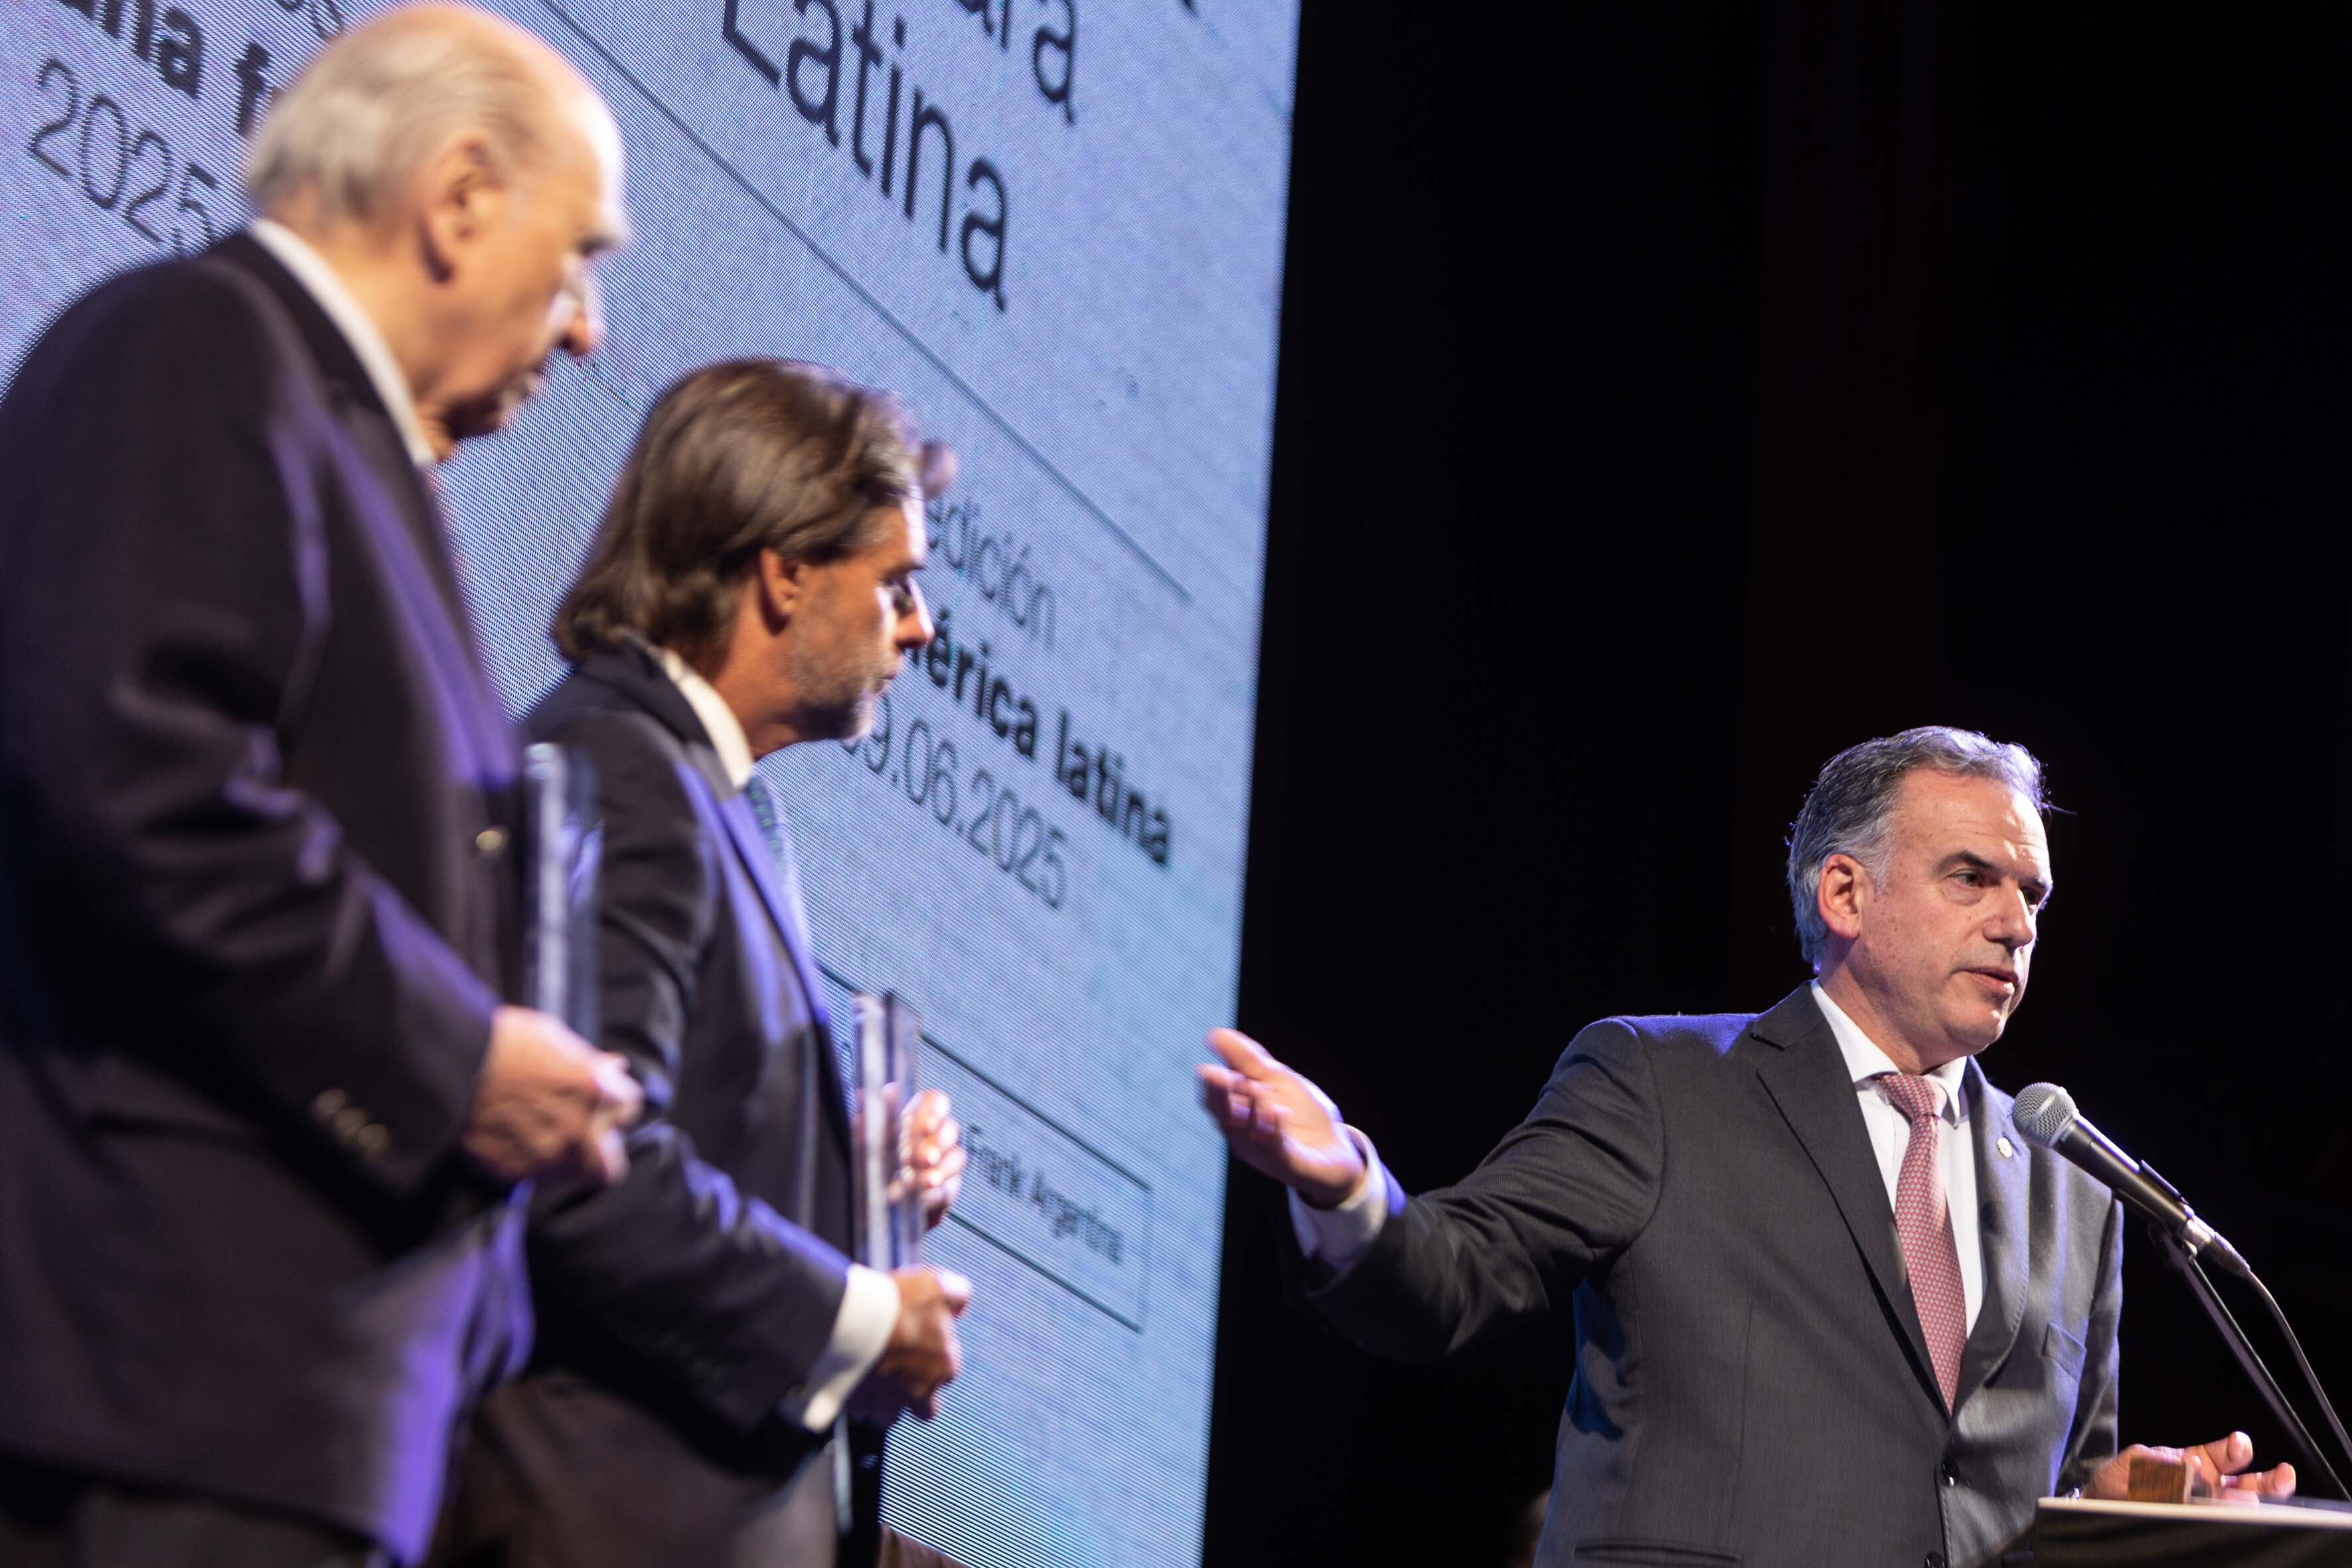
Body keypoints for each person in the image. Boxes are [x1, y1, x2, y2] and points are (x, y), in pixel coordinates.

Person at [0, 9, 641, 1565]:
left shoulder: (351, 446)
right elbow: (140, 776)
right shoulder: (196, 344)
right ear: (461, 195)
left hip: (297, 1424)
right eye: (579, 259)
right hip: (171, 1392)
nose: (587, 329)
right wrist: (455, 1059)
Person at [1200, 726, 2294, 1568]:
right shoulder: (1663, 1084)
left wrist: (2127, 1503)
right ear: (1846, 893)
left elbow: (2042, 1493)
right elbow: (1445, 1280)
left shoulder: (2073, 1178)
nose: (2018, 922)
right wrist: (1346, 1188)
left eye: (2034, 893)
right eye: (1974, 877)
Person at [435, 358, 972, 1568]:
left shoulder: (716, 800)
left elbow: (681, 1129)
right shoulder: (623, 768)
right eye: (895, 584)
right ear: (784, 571)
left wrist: (860, 1181)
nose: (921, 627)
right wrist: (862, 1318)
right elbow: (590, 1173)